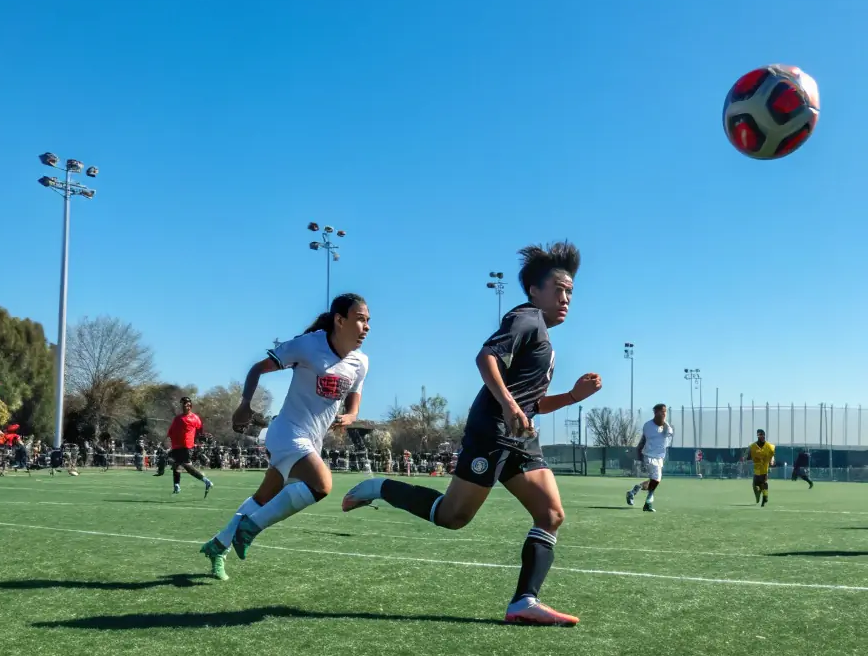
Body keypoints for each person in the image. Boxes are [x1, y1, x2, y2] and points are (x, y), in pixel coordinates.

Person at [344, 243, 601, 627]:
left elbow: (533, 402)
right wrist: (511, 407)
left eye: (570, 292)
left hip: (520, 435)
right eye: (559, 289)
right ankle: (379, 487)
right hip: (493, 430)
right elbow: (486, 357)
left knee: (550, 514)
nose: (566, 299)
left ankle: (524, 601)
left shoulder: (542, 333)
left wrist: (571, 397)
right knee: (453, 517)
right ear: (534, 290)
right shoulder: (526, 318)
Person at [199, 293, 370, 580]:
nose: (366, 327)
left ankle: (218, 546)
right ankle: (250, 529)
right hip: (287, 433)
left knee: (261, 500)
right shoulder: (308, 345)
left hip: (310, 441)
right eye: (360, 319)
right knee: (322, 484)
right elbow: (257, 369)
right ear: (340, 320)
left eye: (368, 321)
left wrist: (350, 416)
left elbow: (355, 395)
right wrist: (244, 404)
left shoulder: (360, 361)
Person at [626, 404, 674, 512]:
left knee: (654, 480)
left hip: (660, 458)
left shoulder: (667, 428)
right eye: (661, 411)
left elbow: (667, 433)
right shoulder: (648, 426)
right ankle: (648, 503)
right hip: (649, 456)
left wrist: (665, 424)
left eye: (665, 412)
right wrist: (639, 456)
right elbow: (643, 440)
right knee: (656, 479)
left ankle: (634, 491)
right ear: (655, 413)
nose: (664, 414)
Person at [167, 397, 212, 496]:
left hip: (187, 445)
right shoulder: (178, 418)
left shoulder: (195, 418)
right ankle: (176, 485)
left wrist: (199, 441)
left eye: (187, 404)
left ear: (190, 406)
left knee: (186, 465)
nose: (185, 406)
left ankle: (206, 481)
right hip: (176, 446)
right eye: (183, 404)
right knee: (176, 465)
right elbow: (170, 432)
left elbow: (200, 431)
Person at [747, 429, 775, 506]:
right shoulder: (753, 446)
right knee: (755, 485)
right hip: (756, 468)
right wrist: (749, 457)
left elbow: (772, 455)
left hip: (764, 467)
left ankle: (765, 497)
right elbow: (748, 457)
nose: (762, 436)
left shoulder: (769, 446)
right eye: (760, 435)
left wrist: (772, 461)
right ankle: (761, 495)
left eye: (763, 435)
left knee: (763, 482)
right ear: (757, 435)